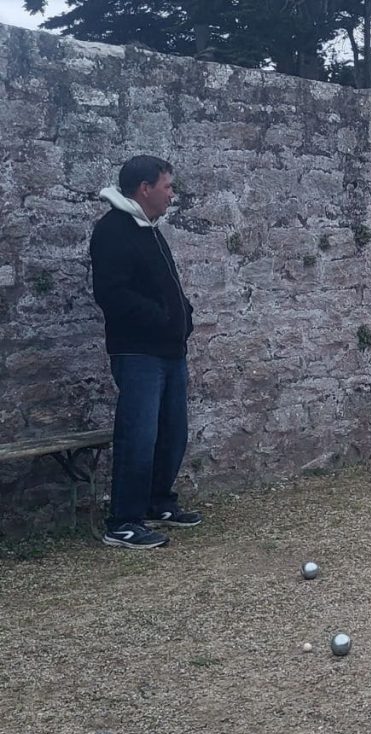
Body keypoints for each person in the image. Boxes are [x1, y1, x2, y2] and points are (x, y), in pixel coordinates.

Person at [90, 155, 203, 548]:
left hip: (169, 351)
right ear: (145, 188)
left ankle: (158, 502)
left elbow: (168, 286)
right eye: (167, 186)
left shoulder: (150, 229)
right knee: (138, 436)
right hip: (138, 352)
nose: (172, 194)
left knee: (172, 433)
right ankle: (123, 521)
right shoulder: (113, 231)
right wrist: (162, 319)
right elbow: (112, 294)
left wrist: (183, 315)